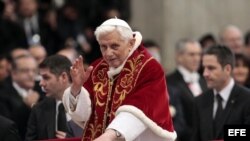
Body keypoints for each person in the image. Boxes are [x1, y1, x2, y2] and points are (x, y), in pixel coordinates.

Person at [62, 18, 176, 141]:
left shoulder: (149, 68)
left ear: (131, 43)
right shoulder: (96, 68)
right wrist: (76, 88)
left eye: (114, 46)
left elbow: (140, 109)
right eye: (103, 47)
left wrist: (109, 136)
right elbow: (84, 116)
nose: (108, 53)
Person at [192, 45, 250, 141]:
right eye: (204, 68)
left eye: (211, 68)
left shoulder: (247, 99)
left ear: (227, 69)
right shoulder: (199, 101)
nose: (205, 74)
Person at [25, 55, 82, 140]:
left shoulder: (92, 104)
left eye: (46, 78)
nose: (41, 83)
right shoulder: (38, 110)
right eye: (41, 78)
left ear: (63, 77)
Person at [166, 39, 207, 141]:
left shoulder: (205, 81)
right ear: (179, 56)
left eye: (199, 54)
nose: (197, 58)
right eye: (192, 54)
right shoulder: (168, 82)